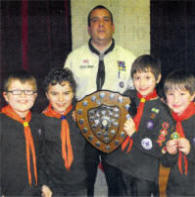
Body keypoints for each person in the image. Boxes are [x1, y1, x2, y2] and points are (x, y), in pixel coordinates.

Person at [64, 5, 136, 196]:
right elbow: (65, 91)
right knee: (84, 182)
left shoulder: (128, 58)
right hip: (83, 129)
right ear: (89, 28)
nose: (101, 24)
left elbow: (136, 94)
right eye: (95, 20)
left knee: (117, 183)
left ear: (113, 26)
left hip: (116, 131)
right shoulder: (74, 58)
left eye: (105, 20)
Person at [102, 54, 175, 196]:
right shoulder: (127, 96)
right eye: (137, 78)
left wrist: (135, 135)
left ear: (158, 78)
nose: (142, 83)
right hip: (117, 162)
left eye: (147, 77)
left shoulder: (163, 111)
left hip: (142, 172)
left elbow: (159, 148)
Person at [40, 68, 88, 197]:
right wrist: (43, 183)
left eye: (66, 93)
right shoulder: (41, 121)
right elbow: (39, 155)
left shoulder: (82, 116)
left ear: (73, 94)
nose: (61, 99)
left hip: (80, 182)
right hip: (54, 184)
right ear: (47, 95)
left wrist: (85, 120)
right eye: (54, 94)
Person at [0, 70, 43, 196]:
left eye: (29, 91)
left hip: (36, 190)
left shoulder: (38, 122)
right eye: (16, 91)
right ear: (6, 96)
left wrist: (44, 183)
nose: (23, 96)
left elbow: (43, 156)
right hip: (9, 191)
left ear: (35, 96)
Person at [162, 70, 195, 197]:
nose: (176, 99)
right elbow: (165, 162)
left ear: (192, 95)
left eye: (182, 94)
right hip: (174, 188)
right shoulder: (166, 122)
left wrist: (190, 151)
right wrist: (170, 153)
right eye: (171, 94)